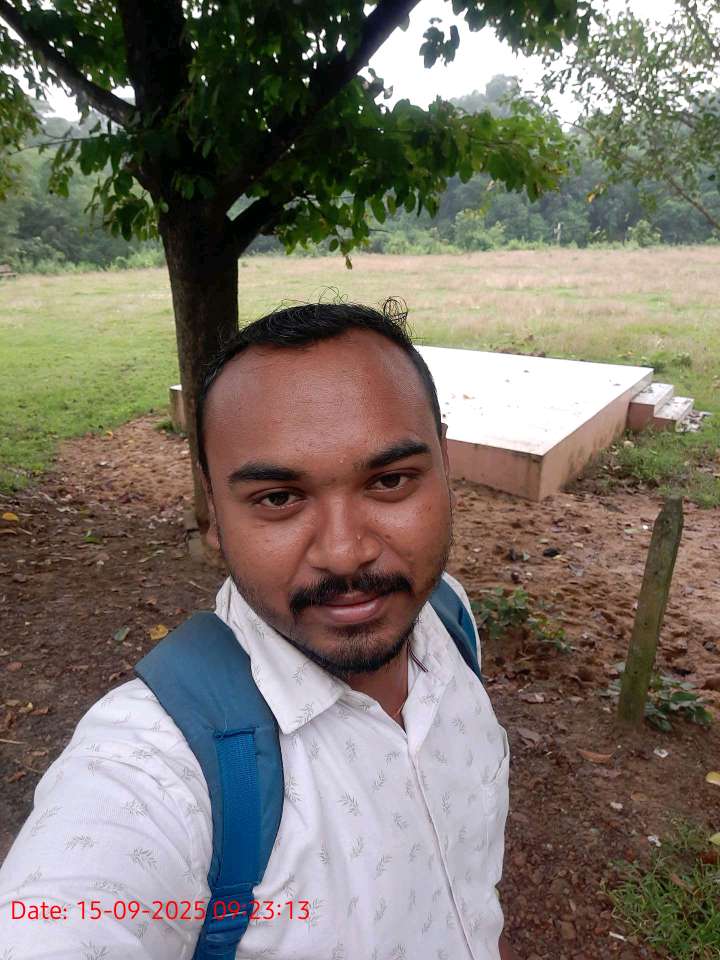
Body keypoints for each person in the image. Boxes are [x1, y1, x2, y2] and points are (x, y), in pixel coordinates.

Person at [0, 301, 513, 959]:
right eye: (278, 498)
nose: (344, 553)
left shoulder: (447, 618)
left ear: (445, 467)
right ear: (214, 512)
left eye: (389, 481)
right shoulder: (157, 764)